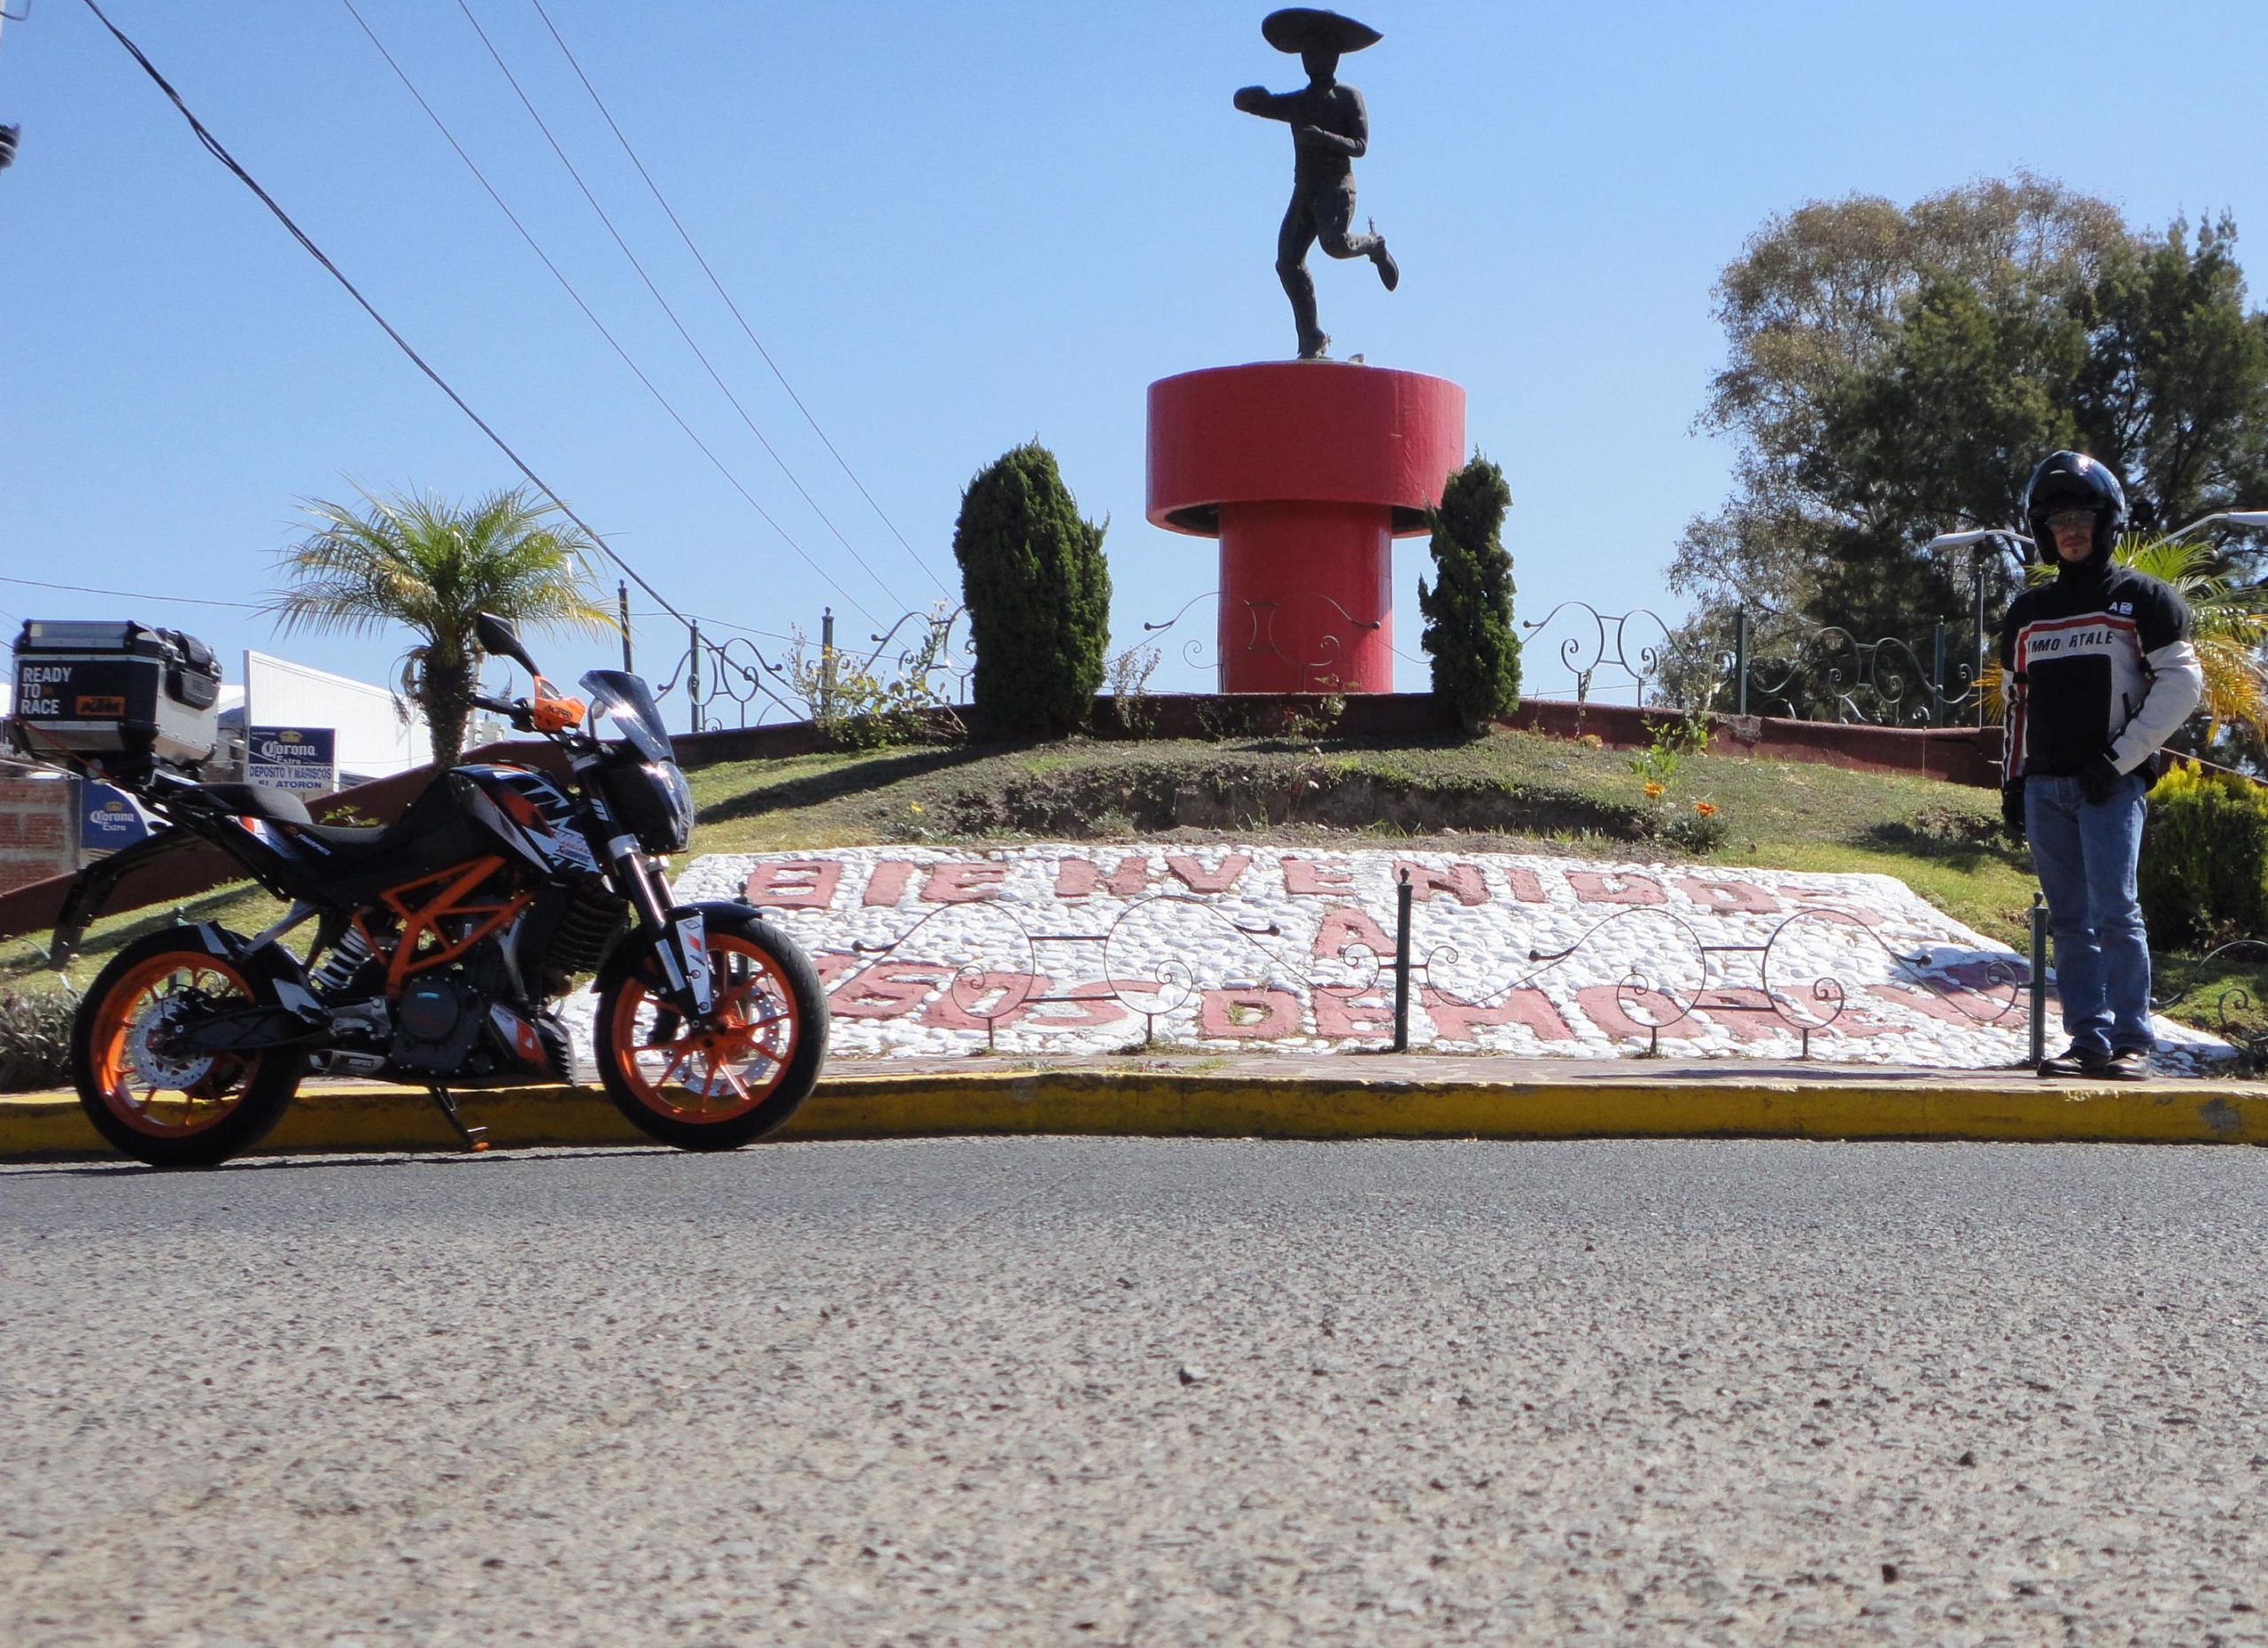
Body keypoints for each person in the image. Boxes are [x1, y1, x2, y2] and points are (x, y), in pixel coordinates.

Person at [1998, 451, 2203, 1079]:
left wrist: (2119, 762)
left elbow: (2182, 688)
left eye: (2083, 514)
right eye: (2058, 517)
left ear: (2107, 521)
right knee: (2068, 919)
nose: (2071, 529)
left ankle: (2133, 1041)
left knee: (2116, 909)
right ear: (2042, 529)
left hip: (2111, 785)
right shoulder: (2027, 614)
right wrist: (2012, 779)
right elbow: (2016, 705)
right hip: (2046, 786)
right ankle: (2086, 1039)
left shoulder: (2142, 600)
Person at [1234, 9, 1399, 361]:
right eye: (1306, 54)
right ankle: (1311, 337)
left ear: (1333, 57)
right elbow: (1267, 106)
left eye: (1318, 53)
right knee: (1287, 261)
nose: (1311, 60)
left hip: (1337, 187)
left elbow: (1361, 146)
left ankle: (1375, 245)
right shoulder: (1299, 101)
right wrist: (1250, 101)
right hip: (1305, 191)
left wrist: (1322, 137)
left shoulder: (1347, 97)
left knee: (1335, 244)